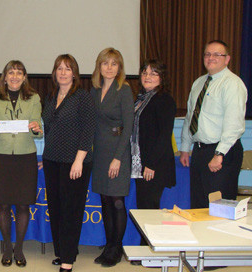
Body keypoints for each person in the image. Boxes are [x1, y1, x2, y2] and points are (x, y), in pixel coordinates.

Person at [0, 60, 42, 267]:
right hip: (0, 156)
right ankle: (7, 247)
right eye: (11, 72)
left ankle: (19, 248)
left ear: (25, 77)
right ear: (5, 76)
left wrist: (36, 127)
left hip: (25, 156)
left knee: (23, 204)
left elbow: (38, 126)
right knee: (3, 204)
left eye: (19, 73)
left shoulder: (34, 98)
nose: (15, 76)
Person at [42, 54, 96, 272]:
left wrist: (79, 160)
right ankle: (63, 251)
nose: (63, 72)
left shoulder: (83, 97)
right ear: (55, 72)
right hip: (52, 160)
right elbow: (49, 130)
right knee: (55, 208)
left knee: (71, 210)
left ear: (75, 73)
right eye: (59, 68)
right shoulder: (50, 96)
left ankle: (68, 260)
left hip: (75, 162)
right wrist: (45, 156)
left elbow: (88, 130)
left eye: (67, 69)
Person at [180, 40, 247, 208]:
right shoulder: (199, 83)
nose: (211, 58)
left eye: (217, 54)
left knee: (219, 209)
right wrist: (185, 148)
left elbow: (234, 124)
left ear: (227, 59)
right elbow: (190, 117)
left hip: (222, 153)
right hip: (200, 151)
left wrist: (220, 154)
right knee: (199, 206)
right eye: (207, 54)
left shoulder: (232, 84)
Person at [90, 48, 134, 267]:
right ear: (99, 66)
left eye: (114, 64)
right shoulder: (94, 90)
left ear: (119, 68)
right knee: (105, 200)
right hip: (99, 152)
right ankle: (109, 245)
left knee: (117, 200)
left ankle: (116, 249)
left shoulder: (123, 89)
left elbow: (128, 128)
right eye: (105, 63)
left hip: (118, 151)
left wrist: (117, 158)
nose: (109, 67)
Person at [131, 59, 176, 245]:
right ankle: (146, 249)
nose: (147, 77)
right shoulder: (141, 99)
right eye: (145, 72)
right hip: (141, 163)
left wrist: (151, 164)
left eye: (153, 73)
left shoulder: (164, 100)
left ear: (161, 77)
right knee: (144, 208)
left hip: (153, 165)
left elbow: (164, 136)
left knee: (149, 209)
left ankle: (151, 251)